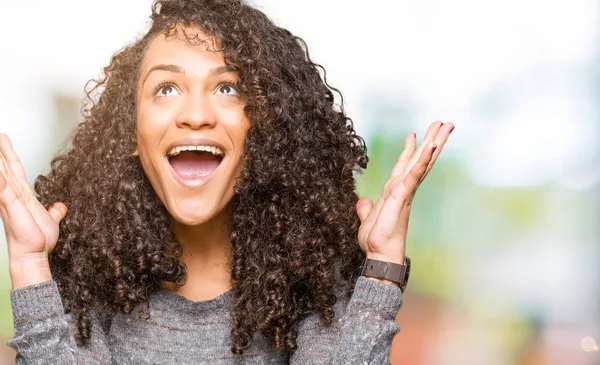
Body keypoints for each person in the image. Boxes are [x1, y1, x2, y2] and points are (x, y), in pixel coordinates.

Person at [0, 0, 454, 363]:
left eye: (227, 88)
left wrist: (382, 267)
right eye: (167, 89)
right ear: (131, 133)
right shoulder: (88, 285)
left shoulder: (313, 285)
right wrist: (29, 263)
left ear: (265, 127)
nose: (195, 115)